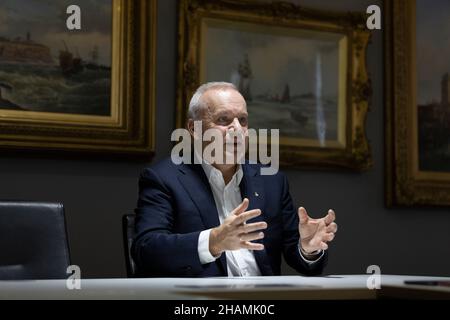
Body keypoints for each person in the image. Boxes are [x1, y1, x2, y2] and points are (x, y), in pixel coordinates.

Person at [132, 82, 337, 277]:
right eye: (224, 119)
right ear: (194, 129)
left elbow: (300, 257)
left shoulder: (271, 180)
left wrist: (308, 248)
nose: (238, 129)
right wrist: (213, 242)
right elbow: (146, 249)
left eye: (243, 120)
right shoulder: (164, 178)